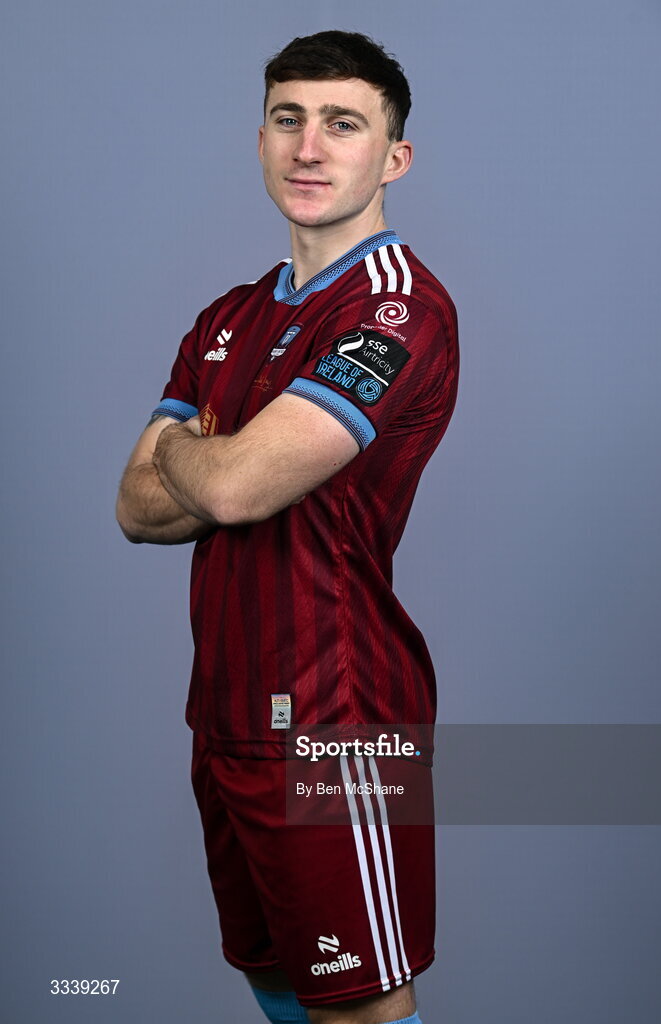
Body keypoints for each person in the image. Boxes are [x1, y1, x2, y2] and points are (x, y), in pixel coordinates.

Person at [116, 29, 458, 1024]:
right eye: (287, 119)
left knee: (354, 1001)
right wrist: (212, 457)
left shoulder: (396, 310)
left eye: (341, 123)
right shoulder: (228, 315)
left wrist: (189, 449)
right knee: (275, 982)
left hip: (337, 727)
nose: (309, 146)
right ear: (261, 139)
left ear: (390, 158)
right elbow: (133, 507)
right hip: (223, 715)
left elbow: (230, 490)